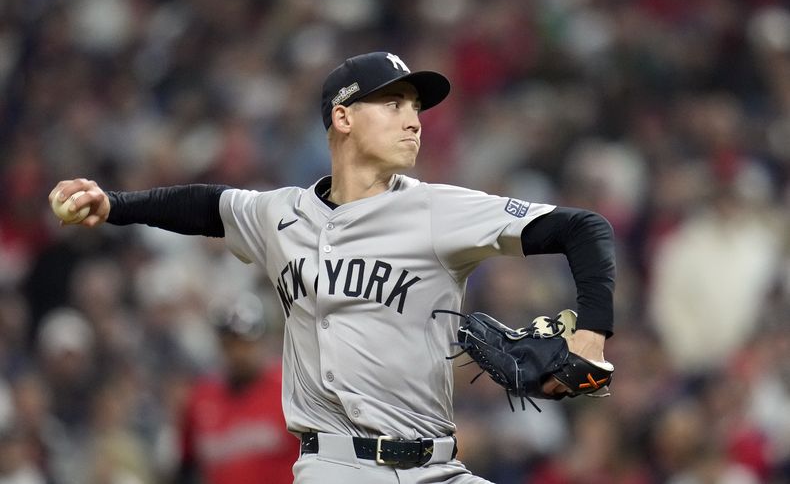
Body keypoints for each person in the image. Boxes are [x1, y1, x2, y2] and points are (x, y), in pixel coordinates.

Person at [48, 51, 615, 483]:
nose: (413, 120)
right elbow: (205, 205)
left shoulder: (439, 210)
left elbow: (583, 228)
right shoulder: (279, 214)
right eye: (392, 104)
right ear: (342, 117)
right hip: (337, 468)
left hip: (438, 466)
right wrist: (114, 205)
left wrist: (591, 337)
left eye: (415, 108)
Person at [176, 292, 299, 484]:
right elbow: (186, 466)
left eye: (245, 344)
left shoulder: (290, 389)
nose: (238, 353)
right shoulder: (201, 397)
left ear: (263, 342)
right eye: (230, 344)